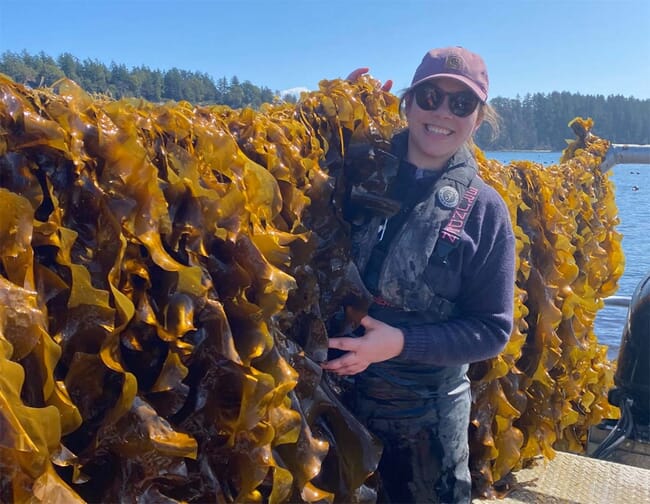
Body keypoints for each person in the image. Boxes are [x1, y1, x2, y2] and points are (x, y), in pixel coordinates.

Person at [321, 46, 516, 503]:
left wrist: (400, 344)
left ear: (478, 117)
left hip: (426, 423)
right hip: (333, 403)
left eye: (461, 103)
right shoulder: (356, 167)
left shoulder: (486, 211)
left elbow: (492, 329)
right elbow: (278, 177)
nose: (442, 113)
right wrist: (329, 114)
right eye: (430, 96)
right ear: (408, 101)